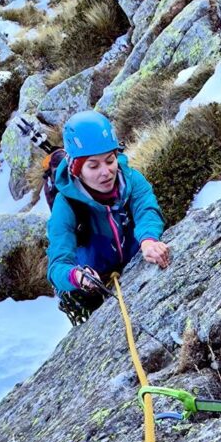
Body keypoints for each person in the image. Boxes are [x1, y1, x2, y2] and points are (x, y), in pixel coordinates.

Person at [46, 110, 170, 324]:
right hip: (95, 284)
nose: (106, 172)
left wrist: (149, 240)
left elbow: (146, 209)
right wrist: (77, 276)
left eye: (110, 160)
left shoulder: (131, 179)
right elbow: (57, 265)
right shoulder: (65, 205)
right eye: (93, 165)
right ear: (77, 169)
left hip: (135, 259)